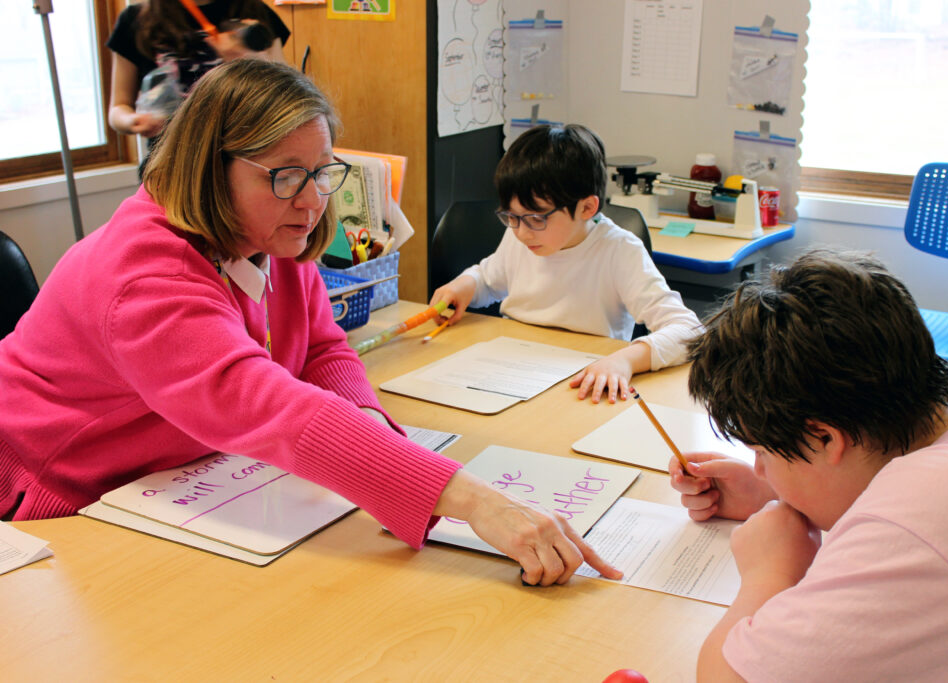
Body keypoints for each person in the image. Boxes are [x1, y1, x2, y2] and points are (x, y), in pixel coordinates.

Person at [0, 59, 621, 588]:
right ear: (210, 169)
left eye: (322, 169)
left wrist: (379, 437)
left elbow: (321, 350)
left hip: (173, 480)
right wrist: (473, 500)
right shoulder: (142, 277)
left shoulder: (270, 230)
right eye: (285, 175)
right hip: (55, 495)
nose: (312, 198)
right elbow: (266, 404)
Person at [668, 249, 948, 681]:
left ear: (824, 438)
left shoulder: (913, 531)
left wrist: (770, 571)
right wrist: (782, 493)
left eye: (762, 452)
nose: (759, 469)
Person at [429, 124, 703, 404]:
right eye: (512, 217)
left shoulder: (619, 250)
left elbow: (689, 332)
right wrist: (465, 284)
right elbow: (489, 279)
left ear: (586, 208)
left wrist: (625, 361)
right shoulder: (523, 236)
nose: (521, 232)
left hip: (583, 382)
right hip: (513, 369)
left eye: (537, 218)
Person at [107, 0, 289, 163]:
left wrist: (249, 60)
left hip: (243, 162)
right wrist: (134, 120)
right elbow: (118, 107)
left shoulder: (256, 12)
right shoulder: (136, 21)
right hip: (170, 166)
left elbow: (286, 99)